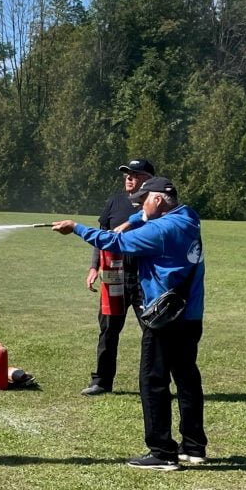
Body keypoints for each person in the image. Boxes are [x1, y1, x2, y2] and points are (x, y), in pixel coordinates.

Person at [52, 176, 207, 471]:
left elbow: (115, 242)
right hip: (190, 315)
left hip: (164, 320)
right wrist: (133, 219)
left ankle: (162, 452)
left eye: (143, 200)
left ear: (158, 199)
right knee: (187, 378)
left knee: (153, 381)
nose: (138, 206)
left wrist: (76, 228)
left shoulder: (160, 231)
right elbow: (141, 218)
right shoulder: (188, 216)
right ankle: (194, 446)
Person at [80, 158, 155, 396]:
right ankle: (101, 381)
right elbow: (101, 237)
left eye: (134, 174)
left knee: (153, 330)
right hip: (114, 276)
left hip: (146, 277)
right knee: (109, 329)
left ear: (148, 179)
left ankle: (153, 383)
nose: (128, 178)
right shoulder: (115, 201)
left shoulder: (155, 204)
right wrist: (94, 267)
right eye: (126, 175)